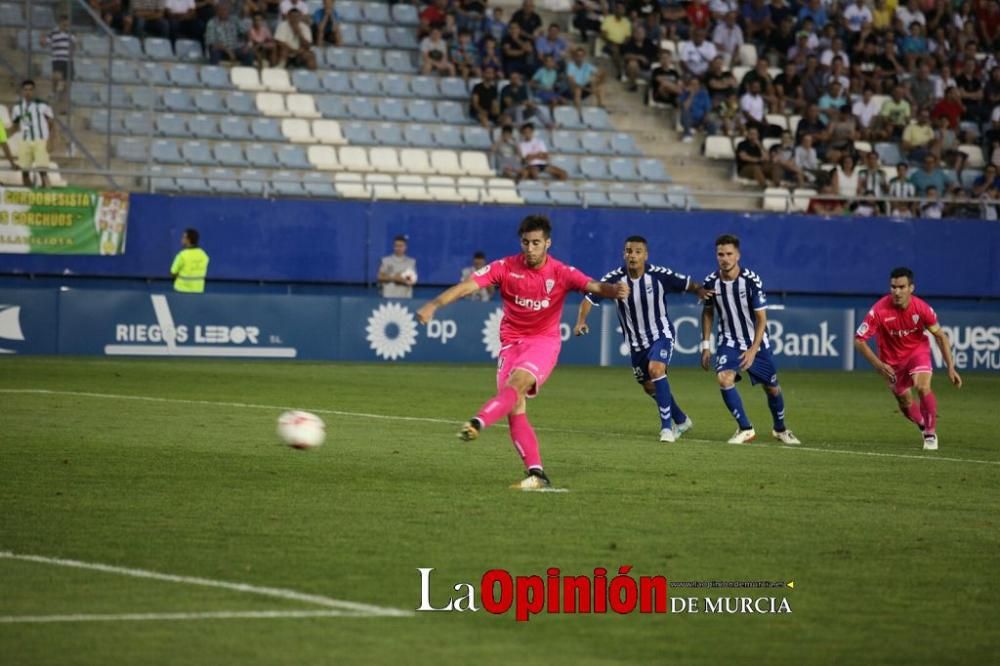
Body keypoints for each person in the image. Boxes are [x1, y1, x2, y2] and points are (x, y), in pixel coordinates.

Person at [415, 215, 630, 490]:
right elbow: (467, 286)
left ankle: (477, 422)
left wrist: (615, 290)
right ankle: (537, 475)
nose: (530, 248)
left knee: (516, 385)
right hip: (510, 344)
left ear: (548, 243)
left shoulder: (561, 272)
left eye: (536, 243)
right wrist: (434, 305)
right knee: (515, 409)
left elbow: (594, 286)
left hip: (543, 343)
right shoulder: (505, 267)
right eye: (526, 243)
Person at [574, 236, 712, 442]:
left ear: (645, 255)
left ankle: (667, 429)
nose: (633, 255)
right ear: (624, 254)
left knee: (656, 370)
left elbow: (687, 284)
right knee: (649, 386)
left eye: (638, 251)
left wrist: (700, 290)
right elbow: (589, 297)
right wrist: (581, 321)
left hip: (661, 334)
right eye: (629, 251)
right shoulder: (614, 278)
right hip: (636, 344)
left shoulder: (659, 275)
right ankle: (682, 420)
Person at [700, 234, 801, 445]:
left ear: (738, 255)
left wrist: (754, 350)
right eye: (720, 254)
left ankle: (780, 429)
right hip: (729, 341)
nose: (724, 258)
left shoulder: (751, 281)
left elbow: (761, 319)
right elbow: (708, 313)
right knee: (724, 378)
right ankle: (745, 428)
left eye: (729, 254)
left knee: (771, 388)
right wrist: (706, 345)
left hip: (756, 342)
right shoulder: (710, 282)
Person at [854, 267, 962, 450]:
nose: (897, 291)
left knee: (922, 386)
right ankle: (921, 423)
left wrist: (950, 367)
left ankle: (930, 433)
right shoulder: (879, 310)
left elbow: (940, 336)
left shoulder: (922, 309)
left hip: (916, 353)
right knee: (904, 402)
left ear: (911, 288)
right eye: (893, 287)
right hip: (891, 362)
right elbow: (859, 340)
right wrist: (879, 365)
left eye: (901, 287)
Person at [10, 80, 55, 189]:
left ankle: (47, 194)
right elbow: (15, 126)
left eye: (30, 90)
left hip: (41, 140)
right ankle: (28, 194)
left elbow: (52, 124)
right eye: (25, 90)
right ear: (22, 91)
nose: (28, 92)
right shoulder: (17, 108)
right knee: (24, 171)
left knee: (42, 171)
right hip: (25, 140)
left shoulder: (43, 105)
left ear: (34, 91)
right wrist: (5, 134)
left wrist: (51, 141)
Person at [41, 15, 74, 95]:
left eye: (67, 24)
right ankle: (54, 91)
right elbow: (44, 44)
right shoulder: (53, 33)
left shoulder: (71, 33)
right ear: (60, 23)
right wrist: (42, 41)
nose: (66, 25)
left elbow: (74, 44)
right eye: (64, 23)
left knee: (67, 82)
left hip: (68, 60)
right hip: (58, 59)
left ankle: (63, 96)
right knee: (56, 76)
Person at [170, 228, 209, 293]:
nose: (181, 239)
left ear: (188, 240)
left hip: (181, 290)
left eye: (183, 237)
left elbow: (173, 273)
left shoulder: (182, 255)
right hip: (198, 290)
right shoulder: (204, 255)